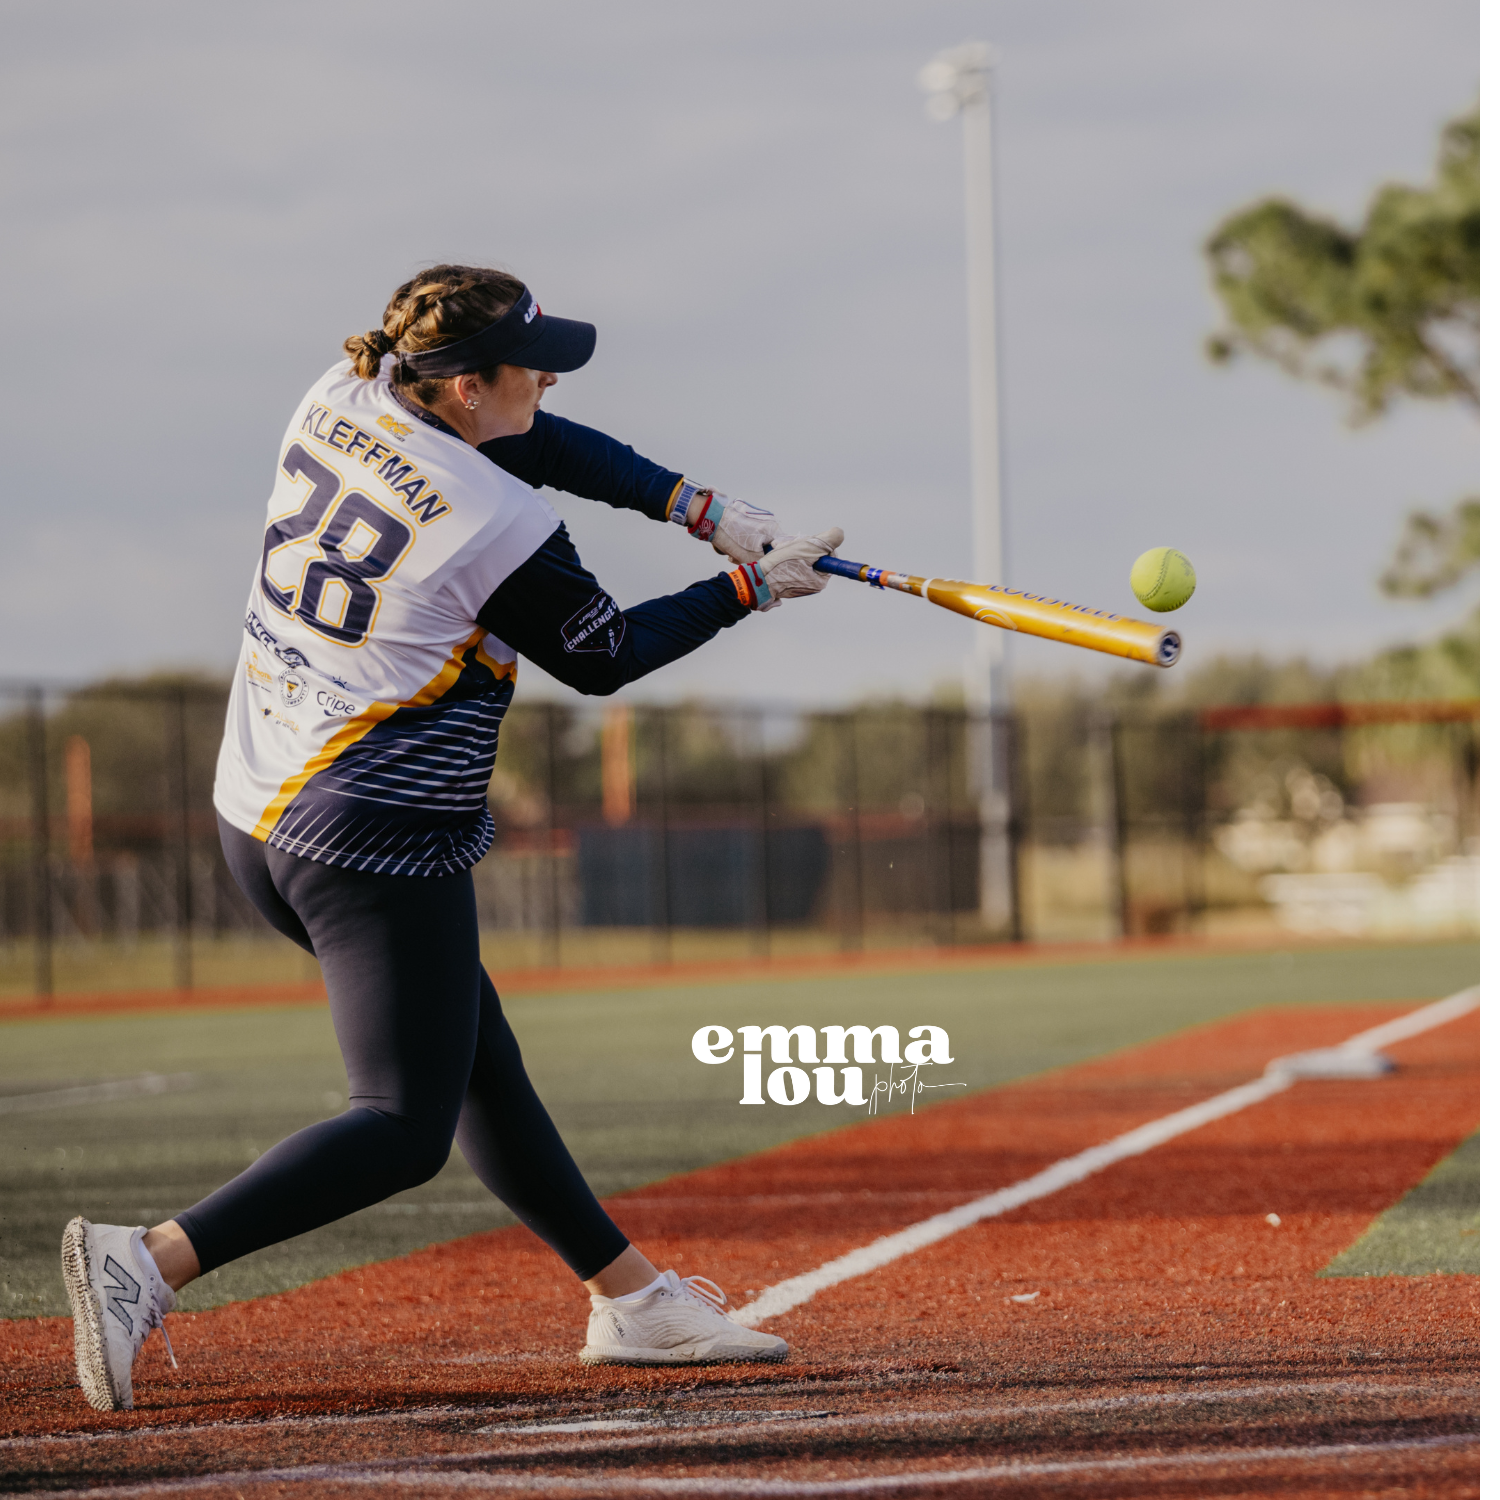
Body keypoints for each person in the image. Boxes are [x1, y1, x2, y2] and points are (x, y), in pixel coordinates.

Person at [62, 264, 842, 1412]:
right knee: (400, 1123)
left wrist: (699, 507)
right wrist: (745, 589)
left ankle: (634, 1301)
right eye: (529, 362)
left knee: (480, 1061)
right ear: (466, 386)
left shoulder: (345, 390)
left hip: (256, 805)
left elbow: (544, 440)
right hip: (366, 843)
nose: (548, 376)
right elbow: (604, 654)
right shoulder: (497, 523)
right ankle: (152, 1259)